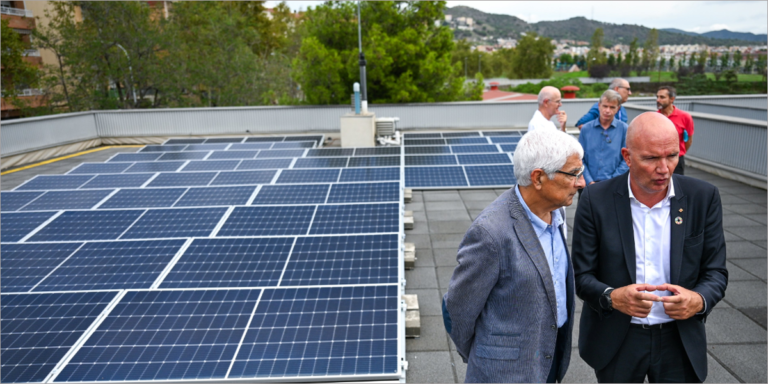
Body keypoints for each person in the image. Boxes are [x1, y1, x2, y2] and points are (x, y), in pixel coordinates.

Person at [572, 112, 728, 383]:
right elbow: (581, 276)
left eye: (671, 155)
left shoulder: (703, 197)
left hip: (679, 340)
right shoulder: (595, 201)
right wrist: (612, 297)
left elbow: (716, 272)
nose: (664, 168)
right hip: (618, 339)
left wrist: (699, 300)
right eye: (651, 158)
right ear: (627, 156)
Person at [444, 128, 585, 383]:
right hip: (503, 374)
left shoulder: (557, 213)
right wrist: (485, 355)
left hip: (549, 358)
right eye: (573, 174)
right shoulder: (491, 233)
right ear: (538, 178)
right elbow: (457, 309)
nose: (582, 182)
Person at [578, 89, 629, 195]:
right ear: (599, 106)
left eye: (612, 107)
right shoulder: (586, 129)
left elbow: (627, 159)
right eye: (605, 106)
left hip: (615, 187)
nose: (607, 111)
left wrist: (612, 182)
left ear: (618, 109)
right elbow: (580, 158)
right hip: (588, 188)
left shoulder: (624, 129)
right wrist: (589, 181)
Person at [657, 85, 694, 175]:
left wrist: (679, 152)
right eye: (657, 97)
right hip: (657, 159)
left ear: (672, 99)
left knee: (676, 185)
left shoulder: (685, 117)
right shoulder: (654, 117)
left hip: (676, 160)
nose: (658, 100)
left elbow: (689, 140)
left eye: (662, 97)